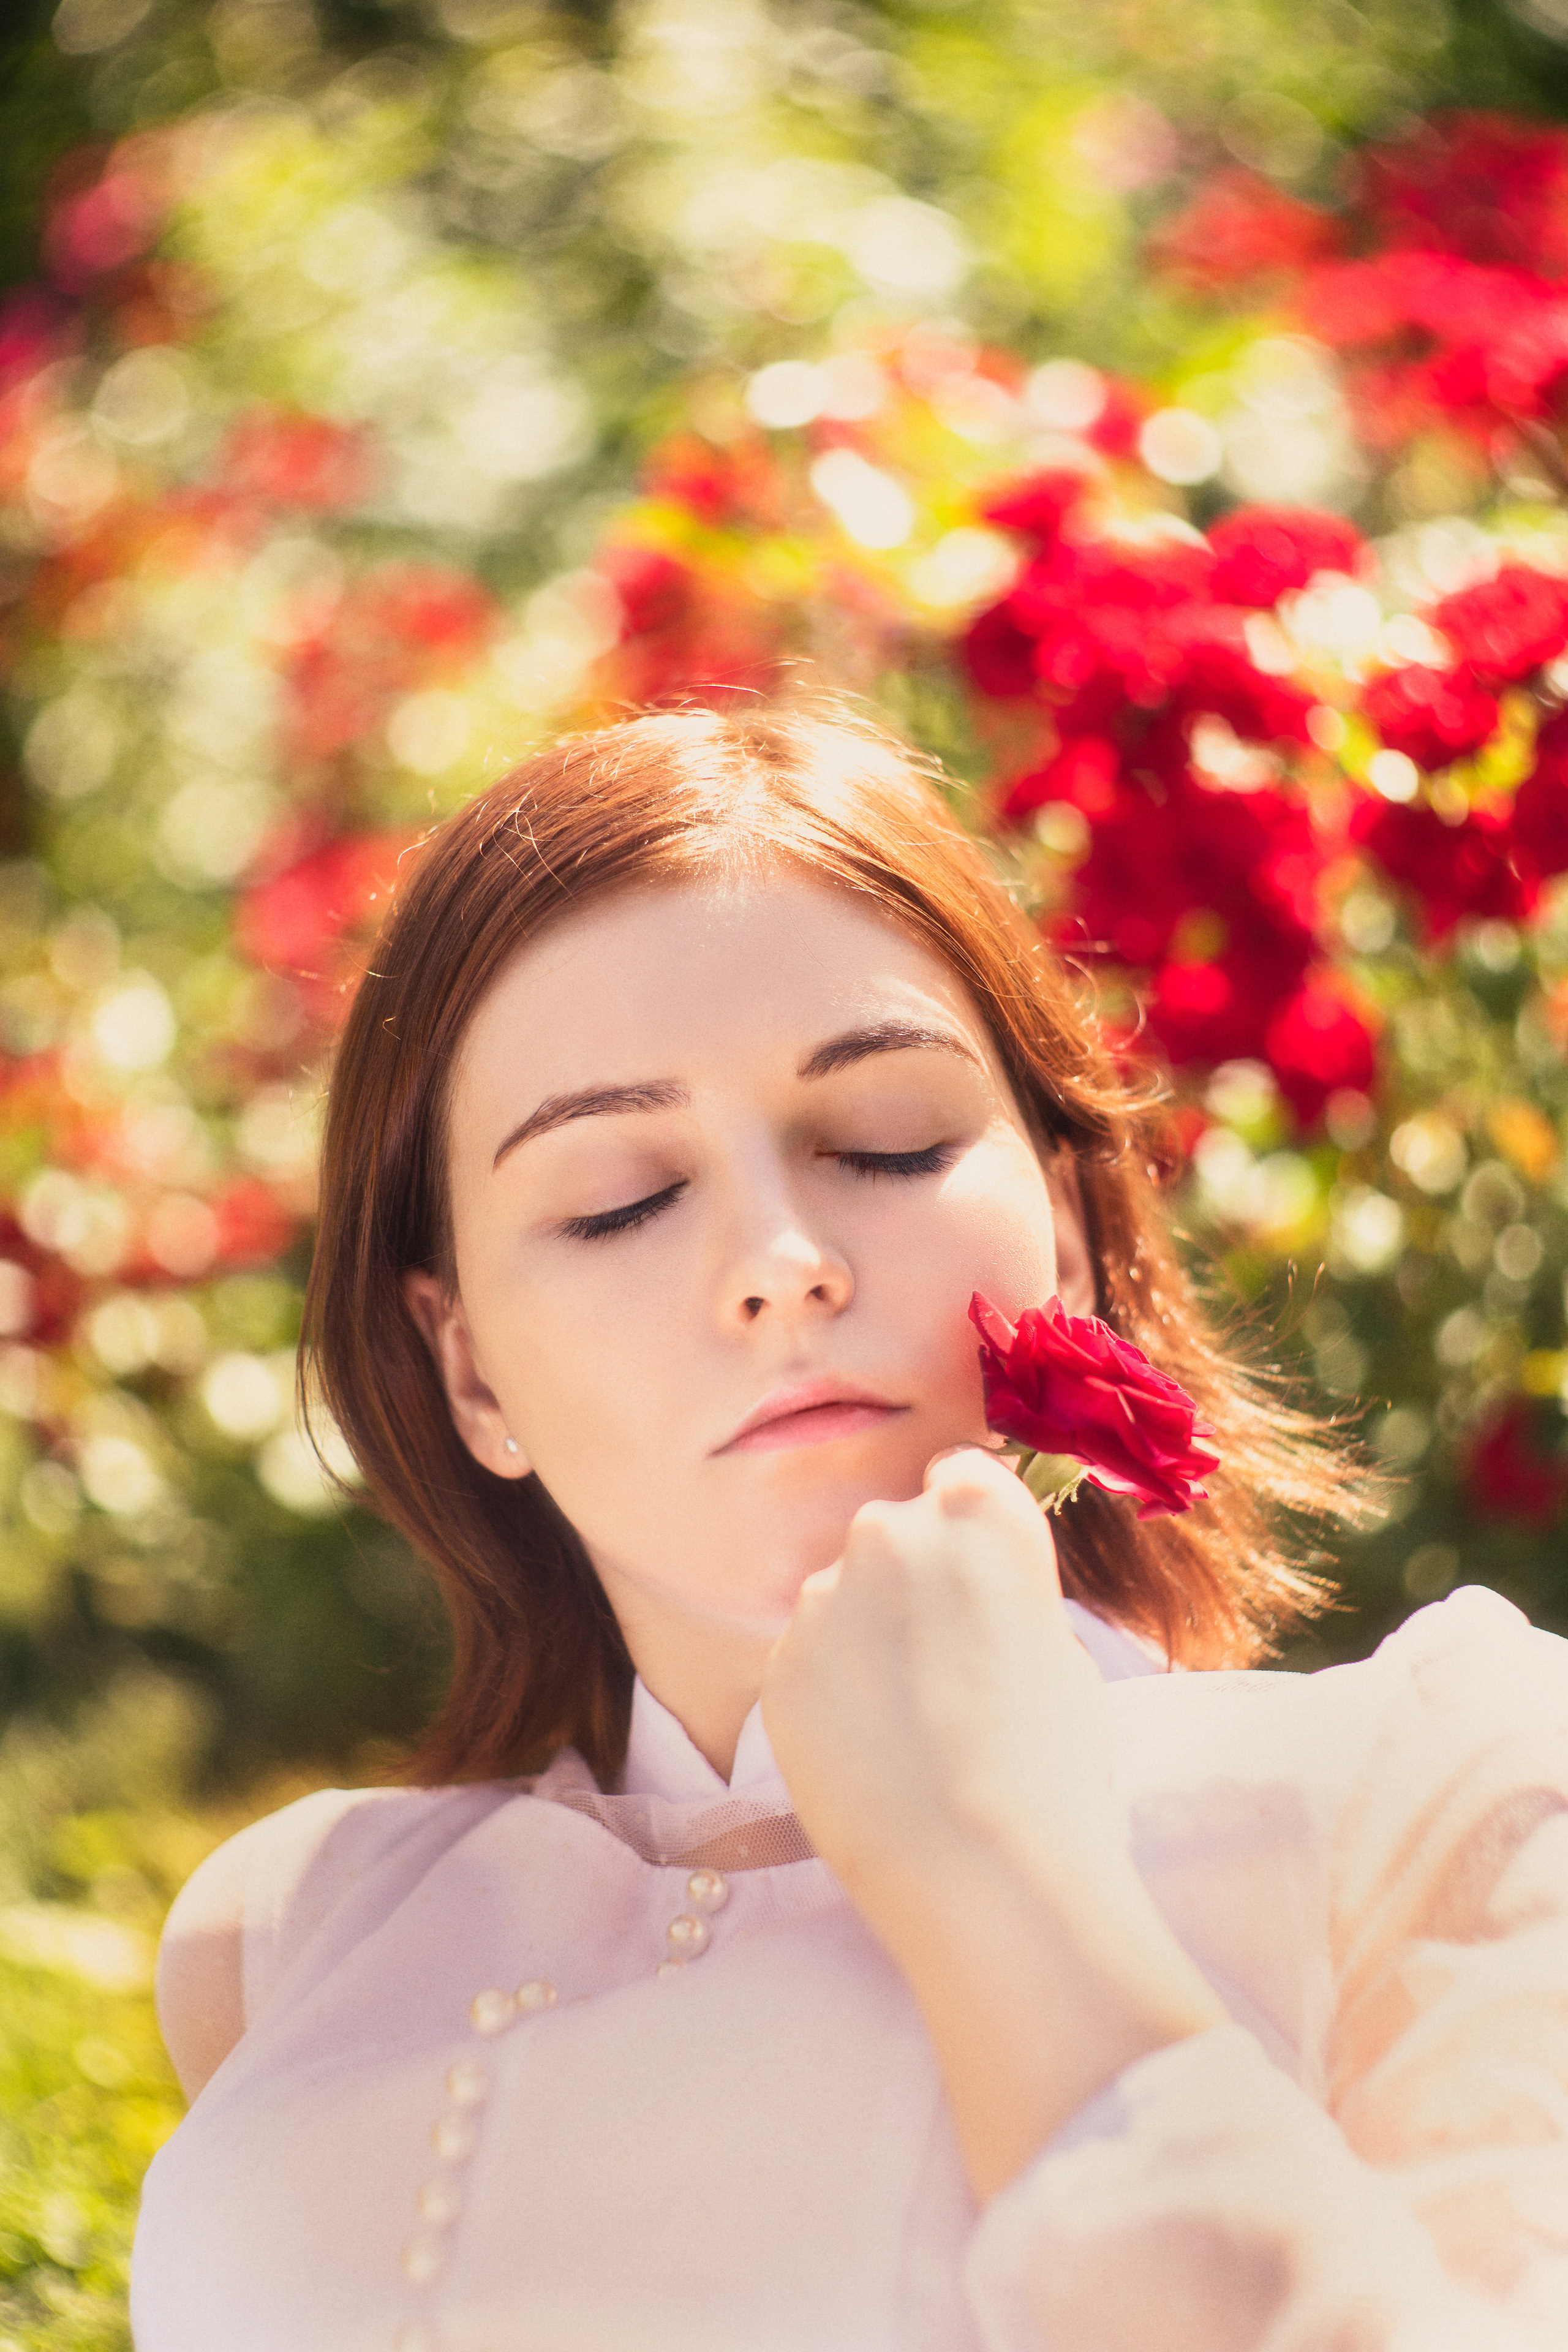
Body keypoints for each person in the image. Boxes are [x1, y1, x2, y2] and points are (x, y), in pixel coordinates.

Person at [132, 707, 1568, 2351]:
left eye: (886, 1139)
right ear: (468, 1372)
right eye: (618, 1197)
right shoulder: (289, 1942)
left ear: (1074, 1228)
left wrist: (995, 1872)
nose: (781, 1255)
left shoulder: (1441, 1786)